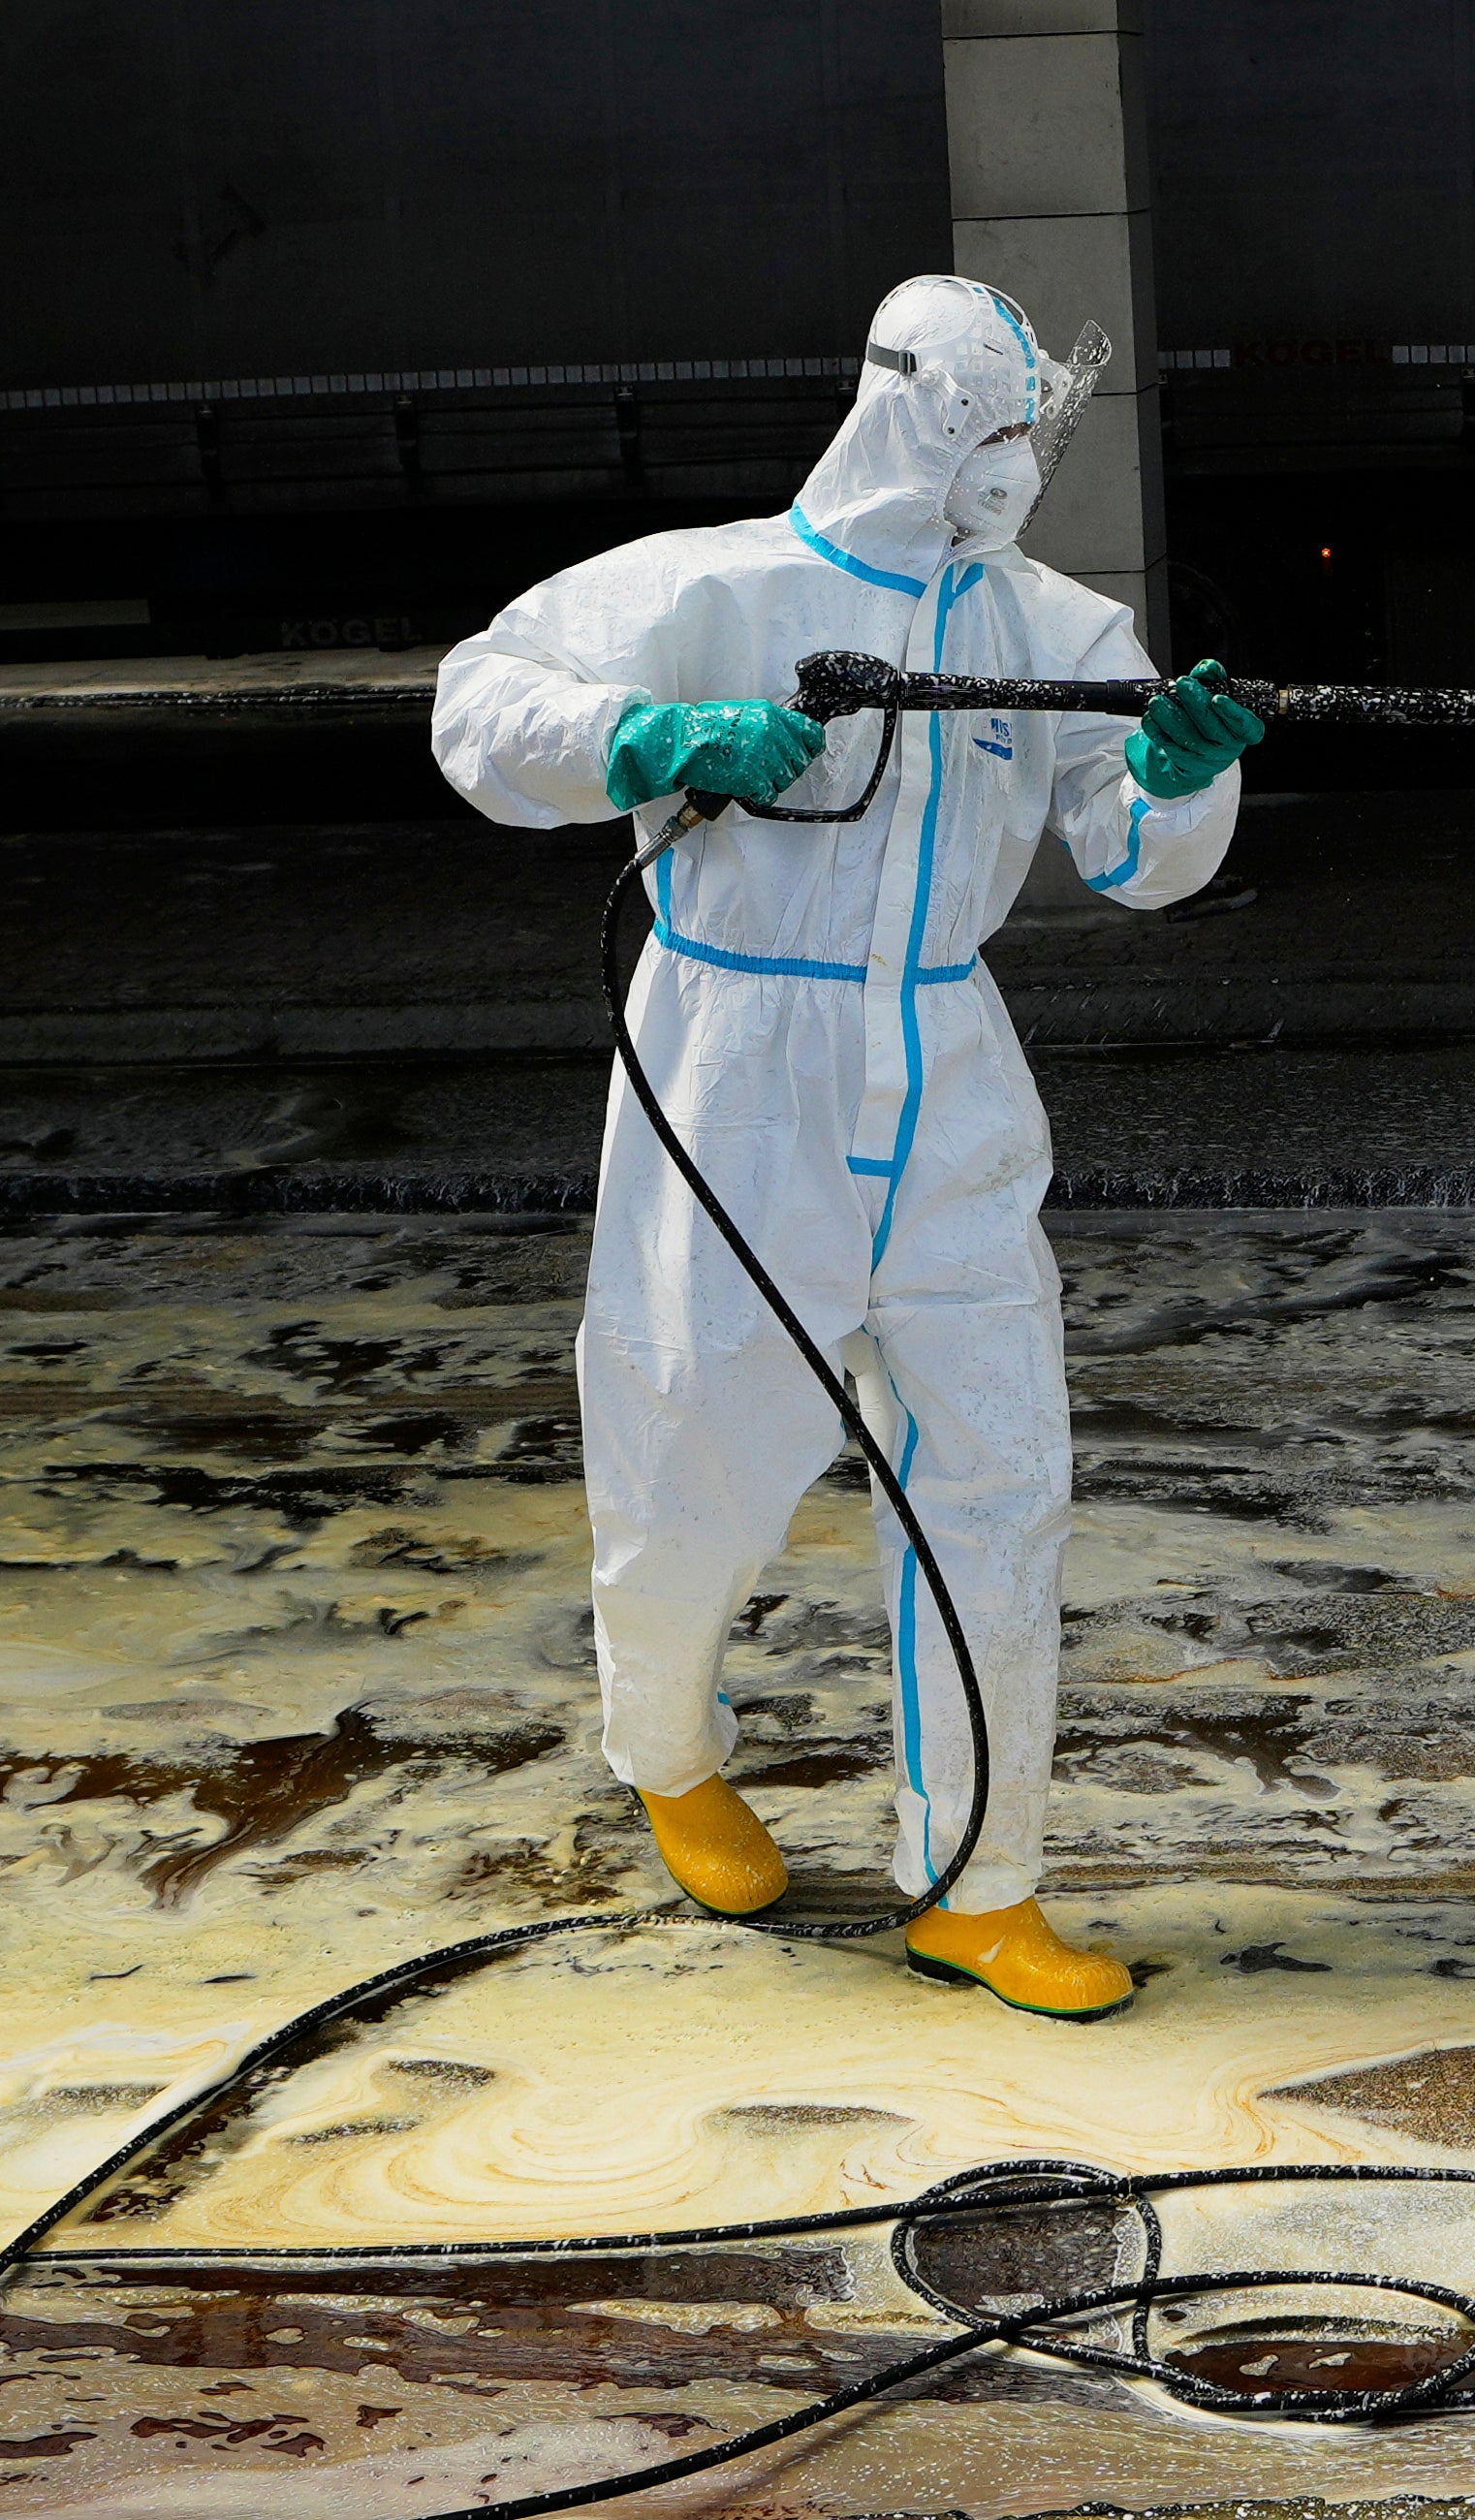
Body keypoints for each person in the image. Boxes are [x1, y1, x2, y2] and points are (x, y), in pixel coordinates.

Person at [429, 277, 1263, 2018]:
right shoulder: (710, 587)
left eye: (1023, 433)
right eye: (986, 429)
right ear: (908, 412)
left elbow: (1134, 861)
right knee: (692, 1451)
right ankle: (665, 1750)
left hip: (949, 1070)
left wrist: (1178, 775)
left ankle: (978, 1883)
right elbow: (479, 702)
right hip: (735, 1066)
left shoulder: (1059, 631)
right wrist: (643, 738)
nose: (1008, 464)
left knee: (998, 1480)